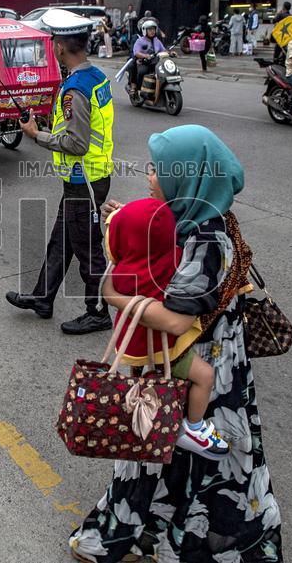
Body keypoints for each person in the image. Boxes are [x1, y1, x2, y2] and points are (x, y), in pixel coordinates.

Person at [69, 124, 283, 563]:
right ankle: (152, 534)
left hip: (194, 357)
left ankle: (144, 539)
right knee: (174, 456)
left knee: (166, 451)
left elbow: (175, 318)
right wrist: (128, 219)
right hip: (206, 358)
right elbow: (160, 245)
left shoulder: (205, 238)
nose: (150, 174)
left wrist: (114, 297)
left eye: (157, 169)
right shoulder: (200, 215)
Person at [8, 9, 115, 335]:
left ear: (60, 47)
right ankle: (43, 298)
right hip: (88, 178)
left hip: (85, 181)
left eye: (53, 40)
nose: (51, 45)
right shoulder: (95, 75)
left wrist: (35, 135)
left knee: (88, 250)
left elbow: (77, 142)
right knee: (62, 242)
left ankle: (97, 312)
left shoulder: (75, 89)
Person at [104, 197, 229, 460]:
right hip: (163, 346)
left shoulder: (122, 270)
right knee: (205, 376)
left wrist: (118, 218)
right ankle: (194, 428)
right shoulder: (176, 256)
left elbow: (119, 243)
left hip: (134, 343)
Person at [128, 20, 168, 94]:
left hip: (156, 62)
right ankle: (139, 89)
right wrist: (145, 55)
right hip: (144, 62)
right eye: (150, 29)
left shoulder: (157, 41)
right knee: (142, 72)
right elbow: (136, 52)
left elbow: (163, 50)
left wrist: (171, 53)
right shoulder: (140, 41)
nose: (152, 31)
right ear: (145, 30)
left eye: (153, 29)